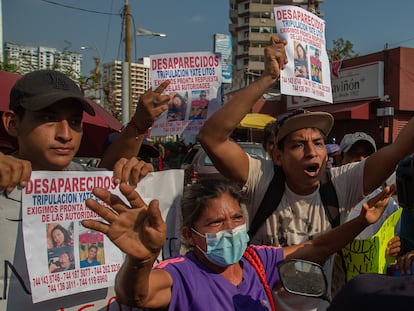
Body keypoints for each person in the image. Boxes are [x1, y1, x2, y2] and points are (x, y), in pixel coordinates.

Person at [198, 34, 414, 311]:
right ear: (277, 155)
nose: (312, 152)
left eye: (319, 143)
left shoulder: (339, 184)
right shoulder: (260, 178)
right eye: (299, 145)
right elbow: (212, 137)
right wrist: (266, 79)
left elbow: (398, 150)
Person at [82, 177, 393, 310]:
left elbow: (317, 248)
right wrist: (140, 260)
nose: (230, 229)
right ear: (189, 235)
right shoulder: (179, 273)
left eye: (235, 218)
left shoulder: (256, 260)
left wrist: (362, 222)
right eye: (216, 223)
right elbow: (137, 294)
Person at [0, 69, 169, 310]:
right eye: (48, 118)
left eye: (75, 122)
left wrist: (137, 178)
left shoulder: (94, 186)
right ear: (12, 123)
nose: (65, 134)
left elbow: (109, 171)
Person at [331, 132, 401, 295]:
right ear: (340, 158)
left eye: (367, 156)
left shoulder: (387, 202)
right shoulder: (329, 197)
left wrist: (396, 247)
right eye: (355, 154)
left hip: (373, 292)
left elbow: (397, 242)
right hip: (336, 292)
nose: (362, 160)